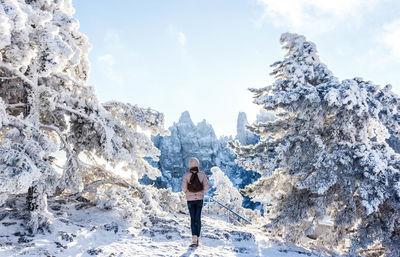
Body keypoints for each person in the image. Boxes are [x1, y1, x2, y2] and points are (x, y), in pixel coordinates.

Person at [181, 157, 210, 247]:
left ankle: (193, 239)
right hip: (199, 200)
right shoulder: (202, 174)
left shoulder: (186, 175)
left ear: (189, 165)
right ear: (198, 164)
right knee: (198, 218)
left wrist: (189, 191)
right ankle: (198, 238)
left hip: (190, 200)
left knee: (193, 219)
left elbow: (183, 188)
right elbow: (206, 187)